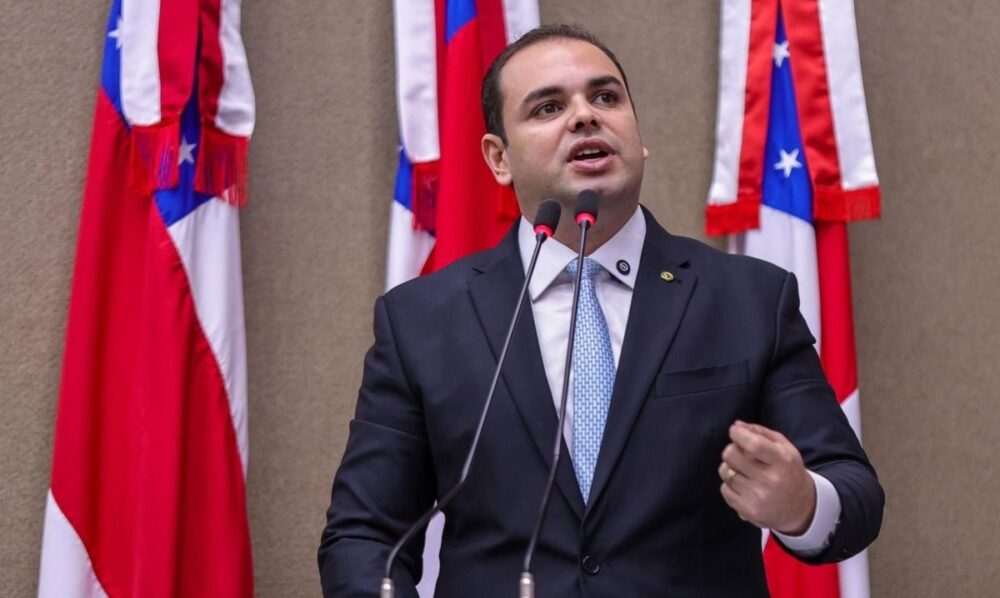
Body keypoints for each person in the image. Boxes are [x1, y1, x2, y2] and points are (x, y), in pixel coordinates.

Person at [318, 24, 883, 597]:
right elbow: (365, 536)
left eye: (606, 97)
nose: (585, 116)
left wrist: (802, 504)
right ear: (499, 158)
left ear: (638, 137)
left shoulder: (748, 299)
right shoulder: (423, 320)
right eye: (548, 107)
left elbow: (854, 490)